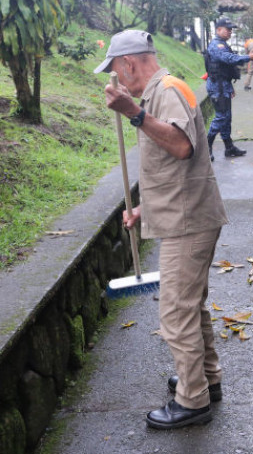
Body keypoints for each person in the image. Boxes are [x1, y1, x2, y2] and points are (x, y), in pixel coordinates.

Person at [95, 29, 229, 429]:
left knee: (175, 312)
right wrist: (142, 208)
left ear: (128, 63)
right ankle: (206, 379)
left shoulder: (167, 90)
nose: (118, 79)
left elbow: (181, 146)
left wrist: (133, 114)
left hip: (188, 222)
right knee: (190, 306)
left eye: (116, 70)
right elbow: (170, 167)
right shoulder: (159, 93)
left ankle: (192, 400)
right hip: (184, 215)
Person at [206, 17, 253, 159]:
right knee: (221, 118)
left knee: (226, 118)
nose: (230, 32)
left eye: (231, 30)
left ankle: (229, 148)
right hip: (217, 87)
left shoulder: (223, 44)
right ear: (218, 30)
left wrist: (230, 87)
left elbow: (225, 68)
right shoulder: (217, 45)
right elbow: (229, 58)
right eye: (227, 29)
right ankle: (206, 147)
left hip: (223, 86)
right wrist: (249, 57)